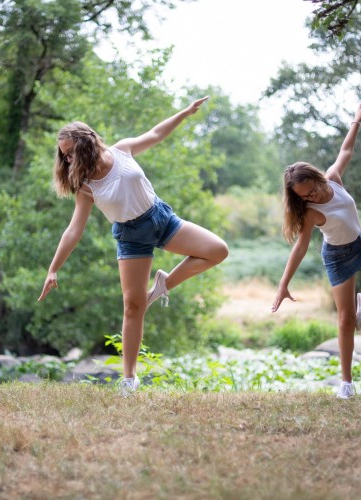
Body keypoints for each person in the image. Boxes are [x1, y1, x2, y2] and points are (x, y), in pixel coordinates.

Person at [37, 96, 229, 395]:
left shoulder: (123, 149)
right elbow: (74, 230)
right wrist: (53, 269)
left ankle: (165, 283)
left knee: (217, 250)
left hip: (161, 218)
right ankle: (129, 379)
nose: (68, 160)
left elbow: (155, 134)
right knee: (133, 305)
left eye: (71, 153)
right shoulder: (86, 186)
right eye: (64, 157)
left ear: (86, 143)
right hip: (131, 236)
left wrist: (185, 113)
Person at [270, 100, 361, 399]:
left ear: (315, 177)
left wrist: (356, 121)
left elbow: (345, 151)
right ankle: (346, 384)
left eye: (311, 189)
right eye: (303, 196)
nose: (310, 196)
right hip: (338, 258)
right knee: (345, 319)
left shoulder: (334, 179)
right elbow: (300, 249)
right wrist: (283, 284)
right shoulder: (310, 212)